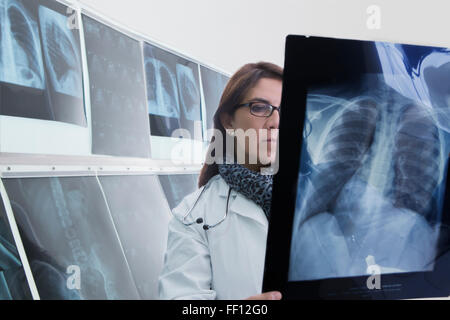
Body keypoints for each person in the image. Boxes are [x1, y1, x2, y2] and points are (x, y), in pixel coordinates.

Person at [158, 62, 283, 300]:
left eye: (284, 109)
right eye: (260, 108)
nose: (275, 121)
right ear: (228, 121)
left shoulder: (318, 197)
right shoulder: (193, 214)